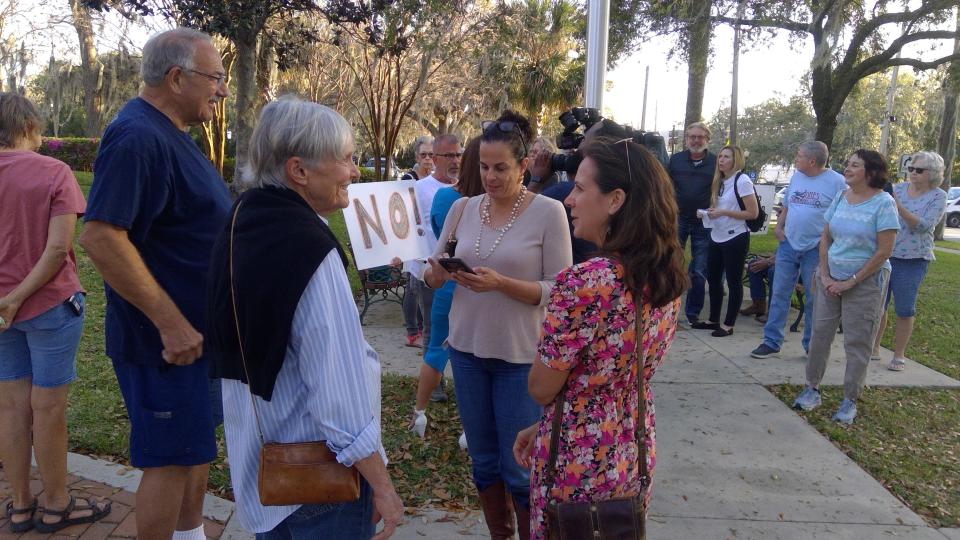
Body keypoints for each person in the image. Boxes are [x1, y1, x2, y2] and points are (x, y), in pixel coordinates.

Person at [205, 97, 403, 539]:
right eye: (347, 159)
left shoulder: (241, 221)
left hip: (264, 471)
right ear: (299, 170)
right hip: (320, 482)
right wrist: (382, 485)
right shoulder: (307, 247)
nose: (354, 171)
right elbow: (338, 390)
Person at [78, 28, 231, 540]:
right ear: (176, 77)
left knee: (192, 450)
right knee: (167, 461)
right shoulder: (138, 137)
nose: (222, 89)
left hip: (195, 339)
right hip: (164, 345)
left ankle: (190, 534)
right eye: (215, 78)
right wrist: (170, 324)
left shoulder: (170, 135)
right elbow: (100, 237)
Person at [513, 138, 686, 540]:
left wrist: (553, 415)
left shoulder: (586, 282)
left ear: (616, 200)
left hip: (577, 459)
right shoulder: (667, 275)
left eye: (580, 188)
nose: (569, 199)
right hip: (631, 446)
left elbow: (541, 387)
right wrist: (545, 425)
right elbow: (611, 377)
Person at [423, 110, 571, 540]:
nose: (489, 176)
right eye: (484, 167)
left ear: (524, 165)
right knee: (484, 462)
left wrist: (501, 283)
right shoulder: (463, 208)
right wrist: (439, 271)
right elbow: (434, 272)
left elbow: (559, 292)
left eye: (501, 167)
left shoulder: (549, 213)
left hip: (520, 357)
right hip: (466, 351)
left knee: (519, 467)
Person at [0, 93, 112, 534]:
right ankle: (56, 504)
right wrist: (20, 296)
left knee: (10, 407)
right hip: (50, 306)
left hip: (2, 314)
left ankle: (22, 504)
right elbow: (57, 251)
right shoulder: (54, 172)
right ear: (28, 126)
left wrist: (6, 301)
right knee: (48, 409)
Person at [792, 149, 900, 425]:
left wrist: (851, 281)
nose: (847, 168)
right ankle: (811, 388)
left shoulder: (884, 203)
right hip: (829, 280)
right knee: (819, 335)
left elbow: (884, 251)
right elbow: (825, 237)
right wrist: (826, 276)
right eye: (847, 163)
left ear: (871, 172)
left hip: (865, 283)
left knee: (857, 342)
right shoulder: (841, 197)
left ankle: (849, 399)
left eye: (854, 165)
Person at [409, 136, 484, 440]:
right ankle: (470, 428)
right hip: (475, 287)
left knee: (436, 350)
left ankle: (419, 413)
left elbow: (443, 243)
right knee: (475, 359)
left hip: (447, 282)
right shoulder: (480, 205)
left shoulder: (444, 198)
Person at [751, 141, 846, 358]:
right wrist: (780, 226)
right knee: (779, 293)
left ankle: (811, 346)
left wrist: (827, 239)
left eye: (799, 155)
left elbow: (842, 213)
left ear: (812, 161)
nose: (796, 158)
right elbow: (788, 204)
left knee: (814, 298)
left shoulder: (837, 182)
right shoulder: (796, 177)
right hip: (788, 245)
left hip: (816, 248)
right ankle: (772, 341)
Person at [872, 151, 947, 371]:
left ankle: (898, 354)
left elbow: (923, 225)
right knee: (879, 304)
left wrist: (898, 207)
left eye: (919, 170)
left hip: (914, 259)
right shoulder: (896, 188)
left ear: (932, 173)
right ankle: (874, 348)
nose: (913, 173)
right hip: (886, 254)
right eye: (911, 168)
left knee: (905, 308)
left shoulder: (938, 196)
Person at [402, 135, 462, 355]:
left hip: (460, 272)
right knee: (432, 329)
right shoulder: (418, 188)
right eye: (449, 156)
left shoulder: (465, 188)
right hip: (429, 271)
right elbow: (406, 228)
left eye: (458, 155)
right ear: (435, 159)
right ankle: (434, 386)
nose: (455, 161)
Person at [691, 146, 758, 337]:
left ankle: (728, 324)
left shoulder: (742, 180)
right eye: (720, 156)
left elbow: (752, 213)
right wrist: (706, 213)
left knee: (734, 281)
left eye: (726, 157)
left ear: (735, 160)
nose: (721, 160)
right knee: (713, 279)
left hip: (736, 236)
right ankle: (713, 319)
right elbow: (718, 209)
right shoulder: (720, 181)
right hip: (717, 235)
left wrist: (723, 212)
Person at [668, 122, 717, 325]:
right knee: (672, 264)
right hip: (678, 219)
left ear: (707, 139)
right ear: (686, 139)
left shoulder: (716, 162)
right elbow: (666, 186)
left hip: (703, 222)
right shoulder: (676, 160)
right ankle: (669, 309)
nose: (696, 140)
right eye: (692, 137)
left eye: (700, 137)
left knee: (698, 269)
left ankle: (693, 313)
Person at [400, 136, 436, 347]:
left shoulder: (434, 181)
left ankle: (423, 330)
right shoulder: (408, 179)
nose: (428, 159)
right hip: (410, 242)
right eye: (423, 155)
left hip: (428, 245)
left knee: (424, 285)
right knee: (412, 287)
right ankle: (412, 332)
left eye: (431, 155)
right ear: (416, 157)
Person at [742, 253, 775, 322]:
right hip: (778, 260)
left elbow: (791, 254)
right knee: (754, 264)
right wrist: (768, 260)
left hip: (791, 264)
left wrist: (768, 262)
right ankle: (758, 305)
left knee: (773, 272)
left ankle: (773, 313)